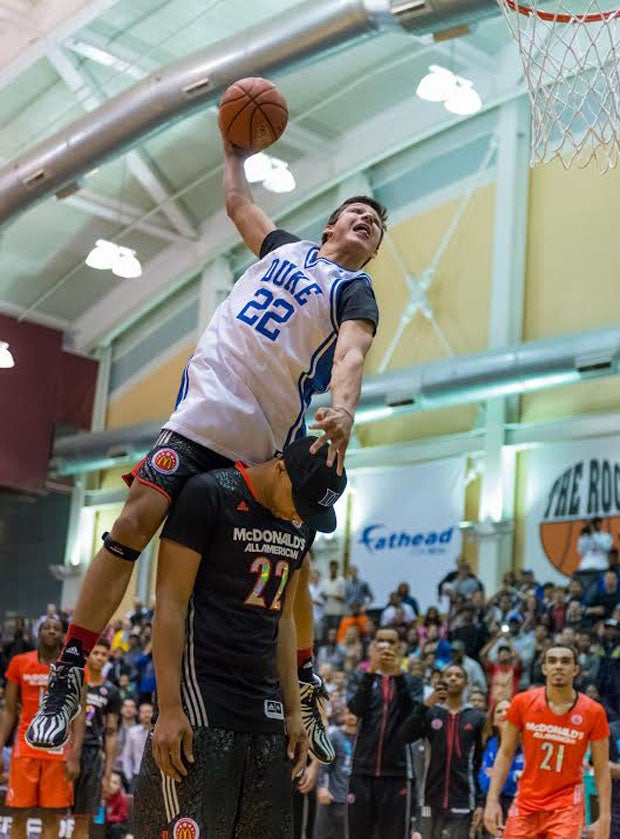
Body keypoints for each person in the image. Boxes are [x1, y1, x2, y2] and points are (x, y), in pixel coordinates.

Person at [27, 129, 387, 760]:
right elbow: (238, 204)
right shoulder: (280, 248)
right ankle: (71, 667)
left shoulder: (353, 292)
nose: (367, 221)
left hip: (261, 448)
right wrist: (233, 152)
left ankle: (303, 681)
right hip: (198, 419)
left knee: (291, 567)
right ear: (331, 223)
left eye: (376, 226)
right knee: (135, 518)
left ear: (372, 251)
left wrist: (344, 410)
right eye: (358, 213)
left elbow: (352, 354)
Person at [134, 436, 346, 836]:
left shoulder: (301, 523)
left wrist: (293, 711)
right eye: (300, 503)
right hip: (201, 703)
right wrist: (169, 706)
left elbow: (284, 619)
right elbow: (171, 604)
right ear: (282, 467)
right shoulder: (209, 494)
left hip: (265, 711)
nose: (301, 515)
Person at [484, 643, 612, 839]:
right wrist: (492, 801)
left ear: (576, 669)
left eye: (565, 661)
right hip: (526, 803)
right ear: (544, 668)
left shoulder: (594, 711)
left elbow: (602, 767)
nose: (558, 666)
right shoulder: (522, 702)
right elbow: (506, 753)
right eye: (552, 661)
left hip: (567, 805)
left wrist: (604, 817)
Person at [0, 618, 81, 839]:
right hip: (25, 747)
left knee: (52, 817)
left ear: (64, 636)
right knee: (19, 814)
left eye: (57, 629)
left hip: (59, 750)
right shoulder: (19, 662)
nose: (52, 632)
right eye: (47, 628)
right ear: (38, 633)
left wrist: (75, 754)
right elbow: (8, 710)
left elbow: (78, 713)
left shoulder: (73, 666)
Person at [346, 627, 424, 839]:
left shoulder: (413, 682)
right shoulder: (359, 677)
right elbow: (356, 709)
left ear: (400, 648)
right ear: (372, 646)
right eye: (380, 641)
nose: (385, 647)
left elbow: (412, 716)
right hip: (362, 770)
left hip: (397, 773)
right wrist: (371, 672)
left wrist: (397, 675)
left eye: (391, 642)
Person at [399, 663, 485, 839]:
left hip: (463, 799)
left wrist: (480, 802)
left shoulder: (477, 718)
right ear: (441, 681)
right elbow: (404, 735)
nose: (453, 678)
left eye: (458, 676)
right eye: (449, 675)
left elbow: (480, 763)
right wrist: (425, 705)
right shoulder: (432, 713)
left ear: (466, 682)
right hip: (429, 798)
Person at [73, 637, 120, 839]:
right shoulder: (74, 684)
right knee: (55, 811)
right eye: (96, 653)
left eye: (104, 655)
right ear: (88, 655)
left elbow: (111, 732)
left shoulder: (112, 691)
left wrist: (108, 772)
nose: (100, 658)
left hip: (92, 752)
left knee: (83, 816)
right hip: (68, 749)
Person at [478, 699, 524, 830]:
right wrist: (514, 776)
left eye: (508, 710)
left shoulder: (528, 743)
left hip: (524, 807)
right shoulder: (490, 745)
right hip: (498, 805)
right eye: (499, 711)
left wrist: (498, 776)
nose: (504, 713)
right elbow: (485, 782)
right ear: (493, 721)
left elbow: (528, 780)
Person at [315, 708, 357, 839]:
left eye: (354, 713)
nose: (351, 716)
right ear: (343, 715)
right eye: (349, 712)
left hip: (355, 800)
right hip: (335, 798)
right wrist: (322, 787)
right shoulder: (335, 736)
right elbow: (324, 765)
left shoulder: (364, 739)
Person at [121, 701, 153, 792]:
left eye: (149, 712)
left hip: (154, 775)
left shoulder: (158, 732)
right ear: (139, 714)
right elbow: (127, 756)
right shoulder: (132, 732)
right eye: (143, 712)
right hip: (137, 774)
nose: (146, 715)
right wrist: (129, 776)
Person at [104, 771, 130, 839]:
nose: (111, 785)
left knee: (115, 828)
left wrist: (108, 818)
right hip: (104, 825)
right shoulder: (102, 797)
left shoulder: (122, 799)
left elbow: (121, 816)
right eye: (109, 781)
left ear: (119, 786)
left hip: (118, 824)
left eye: (115, 783)